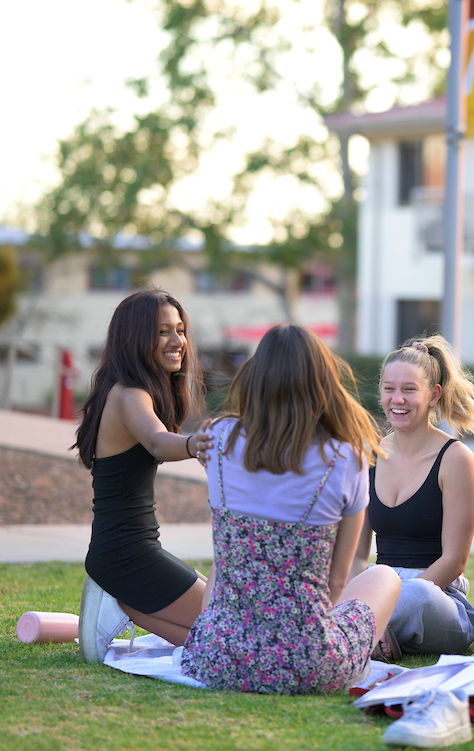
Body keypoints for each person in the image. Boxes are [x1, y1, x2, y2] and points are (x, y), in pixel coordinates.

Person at [180, 325, 401, 694]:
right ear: (323, 382)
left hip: (216, 656)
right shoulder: (346, 456)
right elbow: (336, 580)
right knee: (386, 578)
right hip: (307, 662)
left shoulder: (217, 437)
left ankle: (221, 637)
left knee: (227, 558)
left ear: (256, 376)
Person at [73, 289, 215, 662]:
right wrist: (195, 444)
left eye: (180, 330)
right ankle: (117, 595)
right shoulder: (128, 394)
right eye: (163, 331)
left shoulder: (134, 392)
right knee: (228, 627)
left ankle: (122, 602)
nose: (178, 341)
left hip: (131, 554)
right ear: (136, 338)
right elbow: (156, 441)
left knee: (219, 638)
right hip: (127, 557)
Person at [354, 335, 474, 658]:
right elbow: (356, 558)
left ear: (433, 395)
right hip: (379, 587)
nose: (397, 399)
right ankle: (371, 633)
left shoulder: (456, 458)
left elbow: (454, 561)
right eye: (389, 389)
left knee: (415, 596)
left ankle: (355, 632)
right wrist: (368, 598)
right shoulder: (368, 455)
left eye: (409, 389)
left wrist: (384, 606)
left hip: (436, 597)